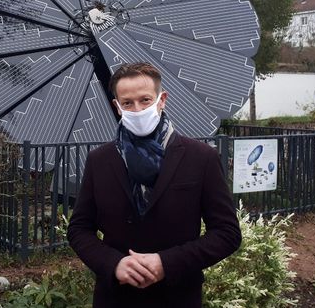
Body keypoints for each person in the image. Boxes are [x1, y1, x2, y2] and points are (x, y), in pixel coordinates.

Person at [67, 62, 242, 308]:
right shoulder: (100, 160)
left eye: (145, 100)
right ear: (117, 107)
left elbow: (227, 233)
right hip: (116, 298)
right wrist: (113, 264)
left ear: (162, 100)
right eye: (128, 103)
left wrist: (166, 263)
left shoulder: (200, 157)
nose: (137, 109)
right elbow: (79, 229)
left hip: (178, 296)